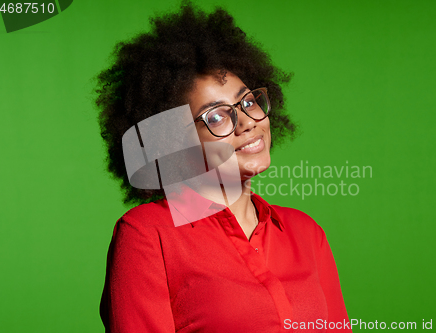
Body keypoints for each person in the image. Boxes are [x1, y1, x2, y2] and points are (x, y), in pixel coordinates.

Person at [95, 2, 351, 332]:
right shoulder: (147, 235)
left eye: (247, 101)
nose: (247, 121)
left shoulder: (306, 234)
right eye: (217, 116)